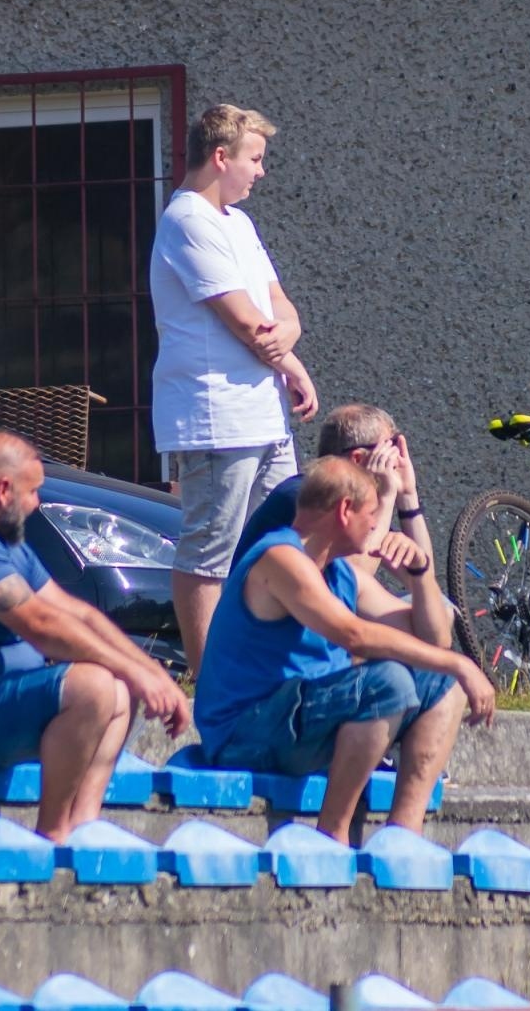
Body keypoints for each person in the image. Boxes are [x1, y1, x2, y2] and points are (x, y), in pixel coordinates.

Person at [0, 431, 190, 843]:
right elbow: (41, 625)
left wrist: (147, 670)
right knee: (93, 687)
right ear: (3, 490)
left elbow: (73, 610)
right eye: (33, 492)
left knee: (119, 683)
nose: (37, 503)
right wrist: (135, 669)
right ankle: (53, 835)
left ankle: (84, 826)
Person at [196, 457, 495, 845]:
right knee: (387, 683)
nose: (376, 525)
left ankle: (403, 835)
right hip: (245, 734)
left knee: (442, 685)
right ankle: (333, 834)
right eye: (372, 513)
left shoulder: (341, 573)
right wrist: (462, 663)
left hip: (299, 722)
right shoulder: (280, 558)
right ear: (344, 511)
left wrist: (421, 577)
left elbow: (432, 641)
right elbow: (352, 635)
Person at [150, 103, 320, 679]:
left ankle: (267, 667)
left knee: (285, 539)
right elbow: (247, 322)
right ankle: (208, 679)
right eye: (255, 159)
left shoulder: (238, 224)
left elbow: (282, 312)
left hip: (264, 413)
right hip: (216, 414)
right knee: (211, 547)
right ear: (221, 157)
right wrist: (281, 346)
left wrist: (289, 351)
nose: (261, 172)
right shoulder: (188, 219)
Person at [233, 403, 450, 648]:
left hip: (311, 622)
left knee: (440, 609)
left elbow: (422, 581)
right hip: (270, 636)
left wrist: (408, 496)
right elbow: (354, 572)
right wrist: (388, 497)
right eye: (391, 447)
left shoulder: (360, 508)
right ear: (358, 458)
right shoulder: (306, 495)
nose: (399, 459)